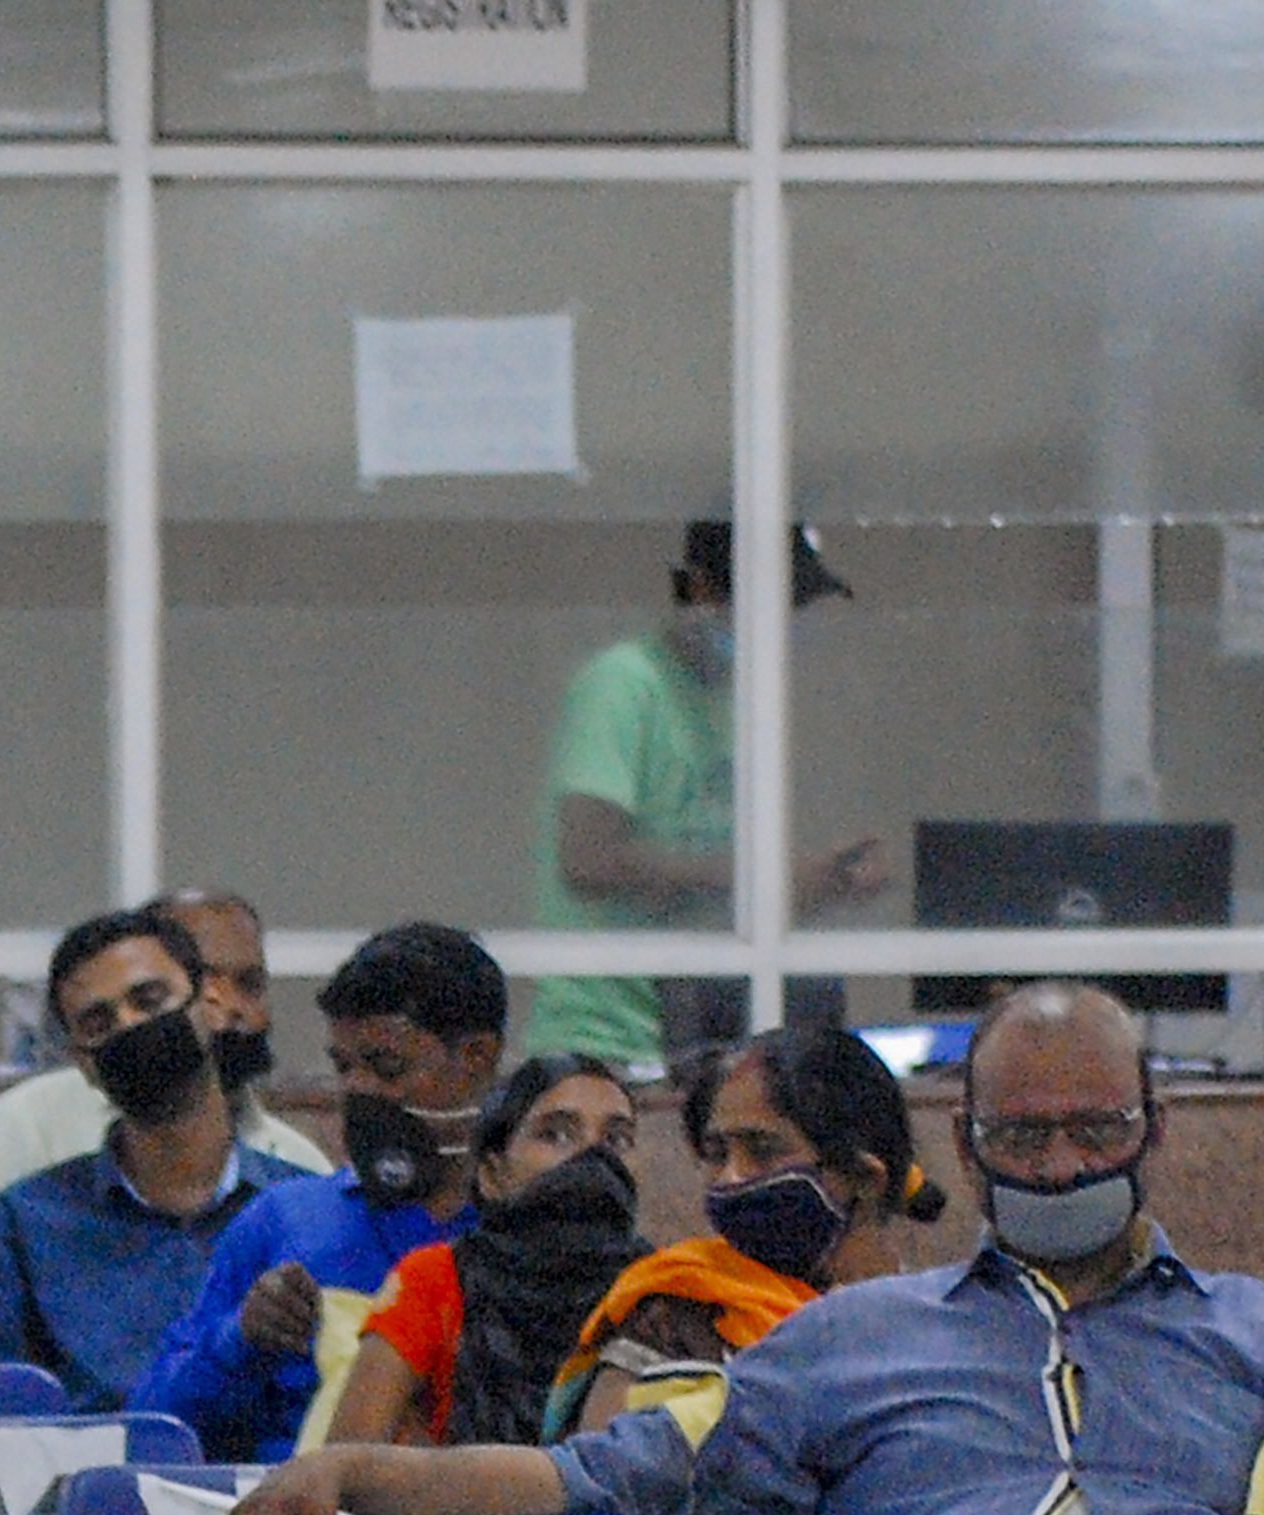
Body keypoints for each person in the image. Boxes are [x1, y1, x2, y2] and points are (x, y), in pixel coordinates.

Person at [223, 982, 1264, 1515]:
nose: (1059, 1167)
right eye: (1022, 1136)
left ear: (1155, 1130)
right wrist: (351, 1471)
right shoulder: (849, 1340)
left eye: (1095, 1132)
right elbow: (595, 1478)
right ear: (965, 1147)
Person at [134, 922, 514, 1459]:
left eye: (387, 1067)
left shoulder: (534, 1228)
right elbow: (151, 1429)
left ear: (476, 1056)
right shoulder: (285, 1220)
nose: (358, 1089)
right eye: (344, 1067)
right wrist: (240, 1337)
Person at [528, 520, 888, 1072]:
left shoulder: (731, 704)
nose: (779, 624)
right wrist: (758, 881)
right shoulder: (623, 684)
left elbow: (699, 880)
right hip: (604, 1039)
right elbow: (589, 858)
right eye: (767, 603)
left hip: (691, 1032)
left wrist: (819, 882)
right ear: (700, 591)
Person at [0, 883, 326, 1348]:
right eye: (99, 1023)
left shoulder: (306, 1204)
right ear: (83, 1062)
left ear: (209, 1006)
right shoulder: (24, 1221)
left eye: (150, 1000)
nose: (130, 1026)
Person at [548, 1023, 937, 1440]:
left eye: (763, 1150)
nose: (730, 1177)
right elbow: (610, 1470)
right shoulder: (677, 1312)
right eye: (718, 1154)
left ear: (864, 1178)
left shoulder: (937, 1326)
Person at [323, 1056, 642, 1446]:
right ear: (492, 1174)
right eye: (557, 1134)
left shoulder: (660, 1292)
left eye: (617, 1140)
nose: (593, 1158)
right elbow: (347, 1459)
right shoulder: (437, 1279)